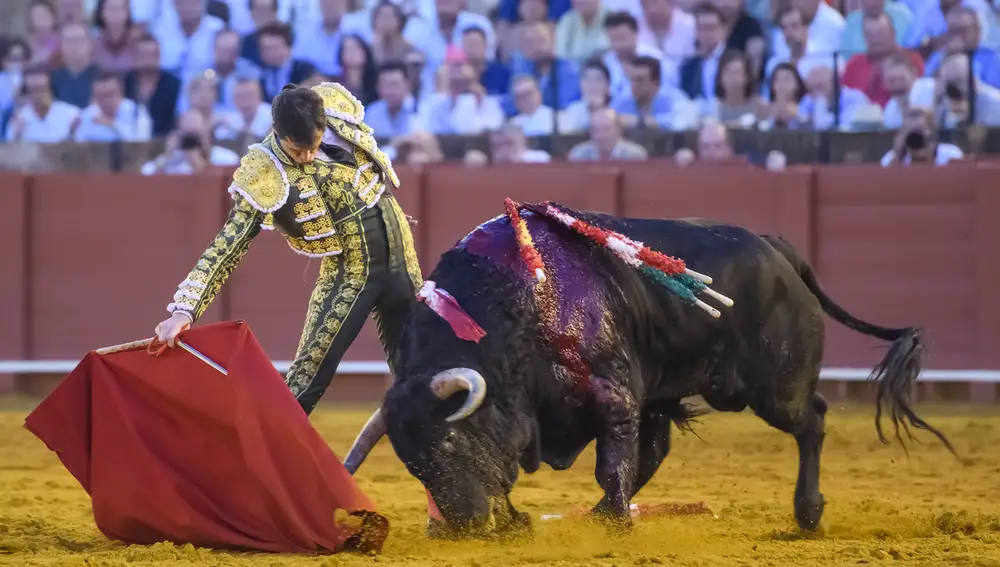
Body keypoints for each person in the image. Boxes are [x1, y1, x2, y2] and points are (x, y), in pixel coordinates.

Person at [153, 81, 423, 416]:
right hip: (351, 275)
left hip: (404, 262)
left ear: (323, 123)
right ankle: (257, 463)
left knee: (421, 373)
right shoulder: (265, 170)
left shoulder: (334, 109)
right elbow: (228, 245)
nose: (307, 157)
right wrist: (184, 310)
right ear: (278, 134)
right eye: (297, 152)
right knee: (303, 384)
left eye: (313, 146)